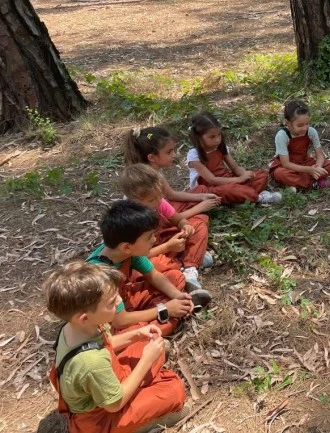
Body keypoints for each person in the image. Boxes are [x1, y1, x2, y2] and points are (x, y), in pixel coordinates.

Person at [44, 262, 188, 433]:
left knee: (142, 333)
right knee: (173, 389)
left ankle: (146, 376)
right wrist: (146, 360)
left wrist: (137, 335)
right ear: (84, 318)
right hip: (101, 418)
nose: (119, 301)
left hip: (105, 382)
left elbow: (106, 343)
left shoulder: (77, 328)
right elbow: (114, 404)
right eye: (112, 302)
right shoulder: (91, 362)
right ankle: (142, 425)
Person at [87, 200, 211, 337]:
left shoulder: (127, 252)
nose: (154, 240)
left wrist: (178, 296)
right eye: (149, 237)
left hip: (125, 301)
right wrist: (165, 309)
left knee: (175, 277)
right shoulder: (101, 276)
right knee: (142, 334)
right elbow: (119, 321)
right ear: (126, 247)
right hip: (111, 322)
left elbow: (153, 275)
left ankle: (168, 313)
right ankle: (162, 321)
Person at [120, 164, 211, 290]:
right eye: (152, 199)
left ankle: (189, 266)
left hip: (162, 239)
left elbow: (178, 219)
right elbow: (137, 257)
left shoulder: (159, 203)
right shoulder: (131, 221)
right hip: (148, 253)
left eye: (160, 195)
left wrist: (185, 226)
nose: (159, 200)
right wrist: (168, 247)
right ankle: (188, 257)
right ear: (134, 201)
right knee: (151, 267)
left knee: (199, 224)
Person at [123, 126, 222, 216]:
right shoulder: (146, 181)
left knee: (201, 189)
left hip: (163, 209)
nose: (174, 155)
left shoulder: (154, 172)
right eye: (169, 152)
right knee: (199, 221)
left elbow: (171, 195)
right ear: (152, 158)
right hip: (153, 220)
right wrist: (199, 208)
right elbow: (162, 219)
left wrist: (202, 197)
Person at [187, 112, 282, 204]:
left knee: (261, 175)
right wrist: (239, 180)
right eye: (212, 137)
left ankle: (244, 195)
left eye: (219, 135)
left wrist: (245, 175)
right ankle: (257, 197)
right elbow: (212, 180)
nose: (217, 140)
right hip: (211, 188)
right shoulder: (194, 156)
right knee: (228, 190)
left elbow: (235, 168)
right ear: (198, 137)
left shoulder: (220, 147)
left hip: (229, 179)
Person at [269, 100, 330, 192]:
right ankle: (316, 184)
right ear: (288, 123)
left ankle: (298, 185)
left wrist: (317, 168)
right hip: (288, 167)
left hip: (305, 162)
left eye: (307, 124)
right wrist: (309, 170)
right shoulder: (282, 135)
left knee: (329, 165)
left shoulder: (311, 132)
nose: (305, 128)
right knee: (280, 173)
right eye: (300, 125)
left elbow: (320, 155)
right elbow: (285, 163)